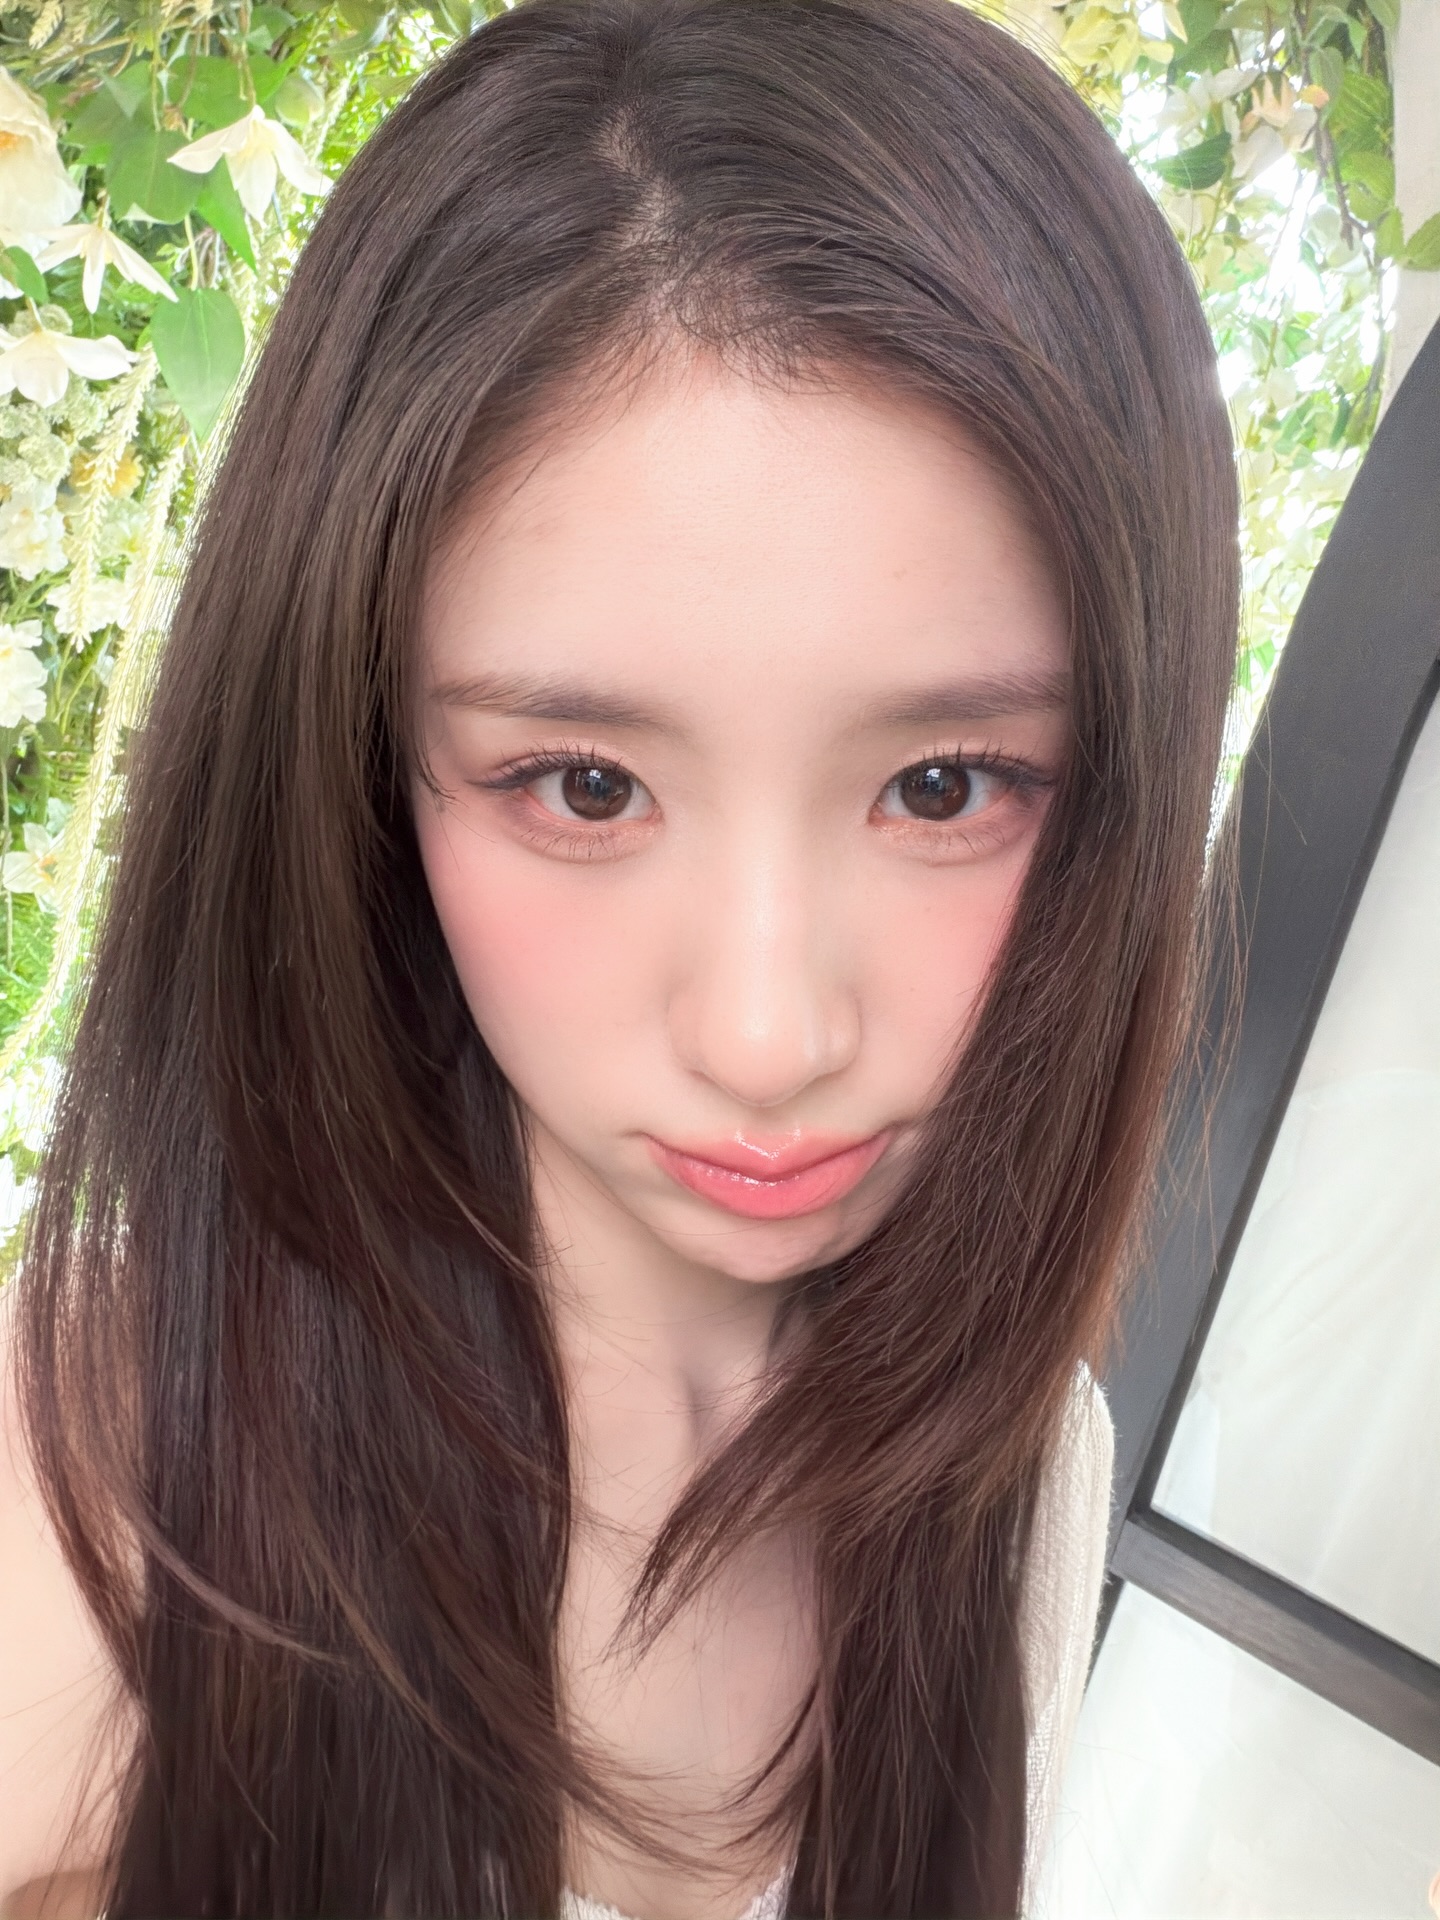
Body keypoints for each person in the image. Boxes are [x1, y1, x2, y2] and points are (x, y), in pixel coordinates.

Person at [0, 0, 1239, 1913]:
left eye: (942, 787)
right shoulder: (105, 1474)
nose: (766, 1032)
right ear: (360, 766)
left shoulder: (1025, 1472)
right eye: (585, 786)